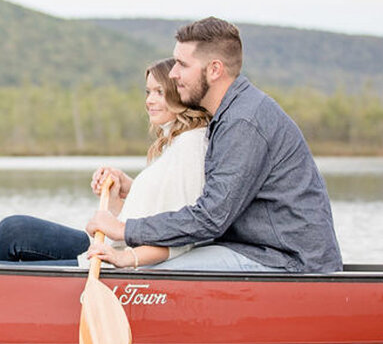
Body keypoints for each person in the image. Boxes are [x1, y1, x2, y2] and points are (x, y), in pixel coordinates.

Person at [86, 16, 343, 273]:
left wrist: (124, 230)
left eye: (182, 65)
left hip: (288, 262)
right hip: (256, 250)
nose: (173, 74)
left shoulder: (244, 121)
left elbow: (211, 217)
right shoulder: (230, 115)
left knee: (149, 272)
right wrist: (132, 190)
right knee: (152, 265)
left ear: (215, 69)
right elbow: (209, 200)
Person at [0, 58, 210, 265]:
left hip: (119, 262)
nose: (149, 101)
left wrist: (125, 258)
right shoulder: (173, 144)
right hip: (111, 248)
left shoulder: (191, 145)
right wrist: (115, 195)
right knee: (13, 230)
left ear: (180, 93)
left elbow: (181, 237)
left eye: (159, 92)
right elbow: (138, 222)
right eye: (148, 92)